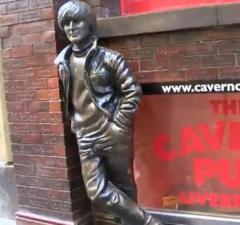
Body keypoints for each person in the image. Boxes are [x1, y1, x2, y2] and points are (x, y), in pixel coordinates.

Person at [55, 1, 163, 224]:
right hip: (84, 136)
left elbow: (131, 92)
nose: (71, 27)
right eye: (66, 23)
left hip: (111, 131)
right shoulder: (62, 62)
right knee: (95, 191)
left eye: (77, 21)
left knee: (124, 185)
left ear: (90, 24)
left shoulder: (109, 58)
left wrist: (117, 125)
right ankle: (149, 222)